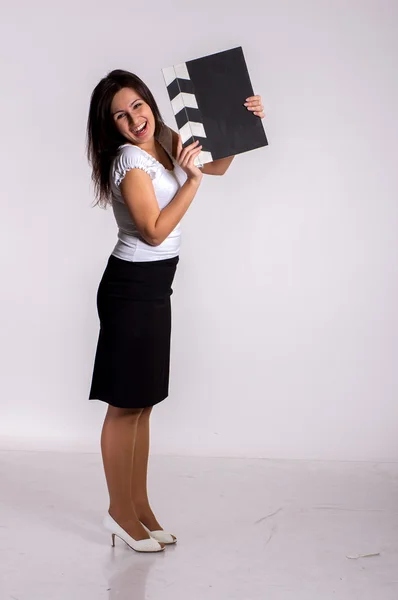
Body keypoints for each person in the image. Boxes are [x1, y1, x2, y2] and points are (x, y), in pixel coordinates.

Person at [86, 69, 265, 553]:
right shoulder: (127, 161)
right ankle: (119, 513)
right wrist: (191, 182)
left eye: (138, 106)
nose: (134, 119)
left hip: (155, 285)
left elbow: (217, 166)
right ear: (111, 125)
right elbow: (154, 231)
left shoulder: (163, 136)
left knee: (143, 404)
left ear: (149, 102)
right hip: (130, 288)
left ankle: (140, 508)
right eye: (121, 115)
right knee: (124, 405)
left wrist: (240, 123)